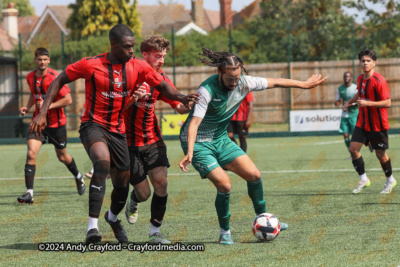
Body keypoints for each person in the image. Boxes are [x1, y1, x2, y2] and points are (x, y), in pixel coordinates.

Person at [29, 25, 198, 244]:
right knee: (101, 162)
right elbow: (60, 79)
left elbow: (163, 86)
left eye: (133, 46)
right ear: (114, 45)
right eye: (127, 47)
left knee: (121, 186)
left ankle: (113, 218)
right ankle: (92, 228)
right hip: (93, 125)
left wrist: (182, 97)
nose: (131, 51)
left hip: (119, 132)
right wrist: (43, 112)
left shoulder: (138, 66)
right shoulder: (91, 64)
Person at [179, 47, 327, 245]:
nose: (234, 82)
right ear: (219, 72)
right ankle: (225, 231)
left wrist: (303, 84)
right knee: (225, 185)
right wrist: (189, 152)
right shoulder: (206, 90)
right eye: (230, 78)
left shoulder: (244, 83)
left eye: (237, 77)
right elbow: (194, 124)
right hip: (198, 143)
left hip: (220, 138)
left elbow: (275, 82)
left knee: (254, 175)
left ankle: (264, 218)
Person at [124, 35, 191, 244]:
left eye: (163, 56)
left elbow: (179, 106)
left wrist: (193, 103)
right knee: (144, 193)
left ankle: (154, 233)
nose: (161, 60)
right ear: (145, 55)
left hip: (153, 140)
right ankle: (134, 200)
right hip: (129, 144)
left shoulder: (161, 78)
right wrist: (134, 97)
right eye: (157, 56)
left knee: (161, 185)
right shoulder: (128, 74)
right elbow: (115, 110)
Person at [18, 47, 84, 204]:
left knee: (62, 156)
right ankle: (29, 194)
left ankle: (78, 177)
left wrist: (47, 106)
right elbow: (34, 96)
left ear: (49, 61)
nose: (42, 62)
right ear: (35, 60)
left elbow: (68, 100)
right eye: (39, 59)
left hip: (56, 124)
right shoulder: (30, 77)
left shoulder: (55, 77)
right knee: (31, 154)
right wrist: (28, 108)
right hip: (38, 123)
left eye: (44, 59)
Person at [343, 49, 396, 194]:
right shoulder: (360, 79)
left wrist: (368, 104)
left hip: (377, 125)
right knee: (353, 149)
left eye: (368, 61)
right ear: (359, 63)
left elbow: (388, 103)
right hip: (362, 123)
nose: (365, 63)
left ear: (374, 63)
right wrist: (349, 102)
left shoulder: (379, 80)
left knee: (380, 155)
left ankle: (390, 179)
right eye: (363, 60)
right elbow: (359, 94)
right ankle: (364, 179)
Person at [335, 72, 358, 158]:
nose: (346, 78)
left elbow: (358, 101)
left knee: (356, 135)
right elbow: (337, 100)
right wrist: (337, 103)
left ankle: (368, 142)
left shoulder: (355, 88)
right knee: (345, 135)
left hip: (354, 115)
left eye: (348, 76)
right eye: (345, 77)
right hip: (344, 115)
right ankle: (352, 153)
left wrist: (349, 104)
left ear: (351, 78)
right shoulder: (340, 89)